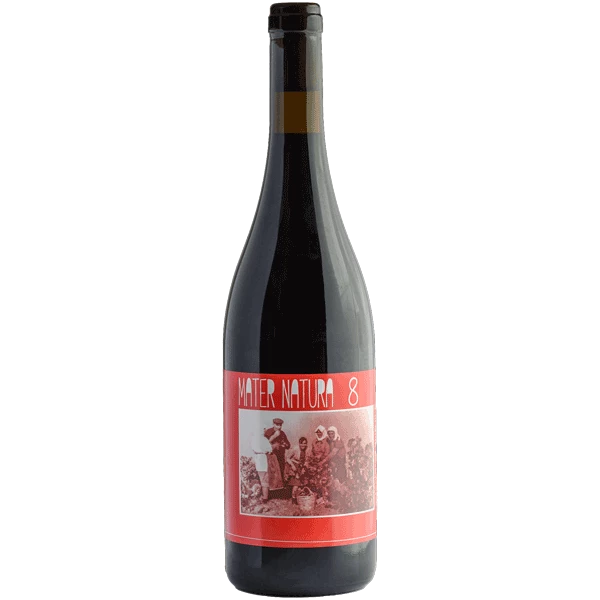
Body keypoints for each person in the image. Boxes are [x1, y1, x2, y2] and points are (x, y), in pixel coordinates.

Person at [251, 429, 275, 503]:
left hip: (263, 461)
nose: (264, 431)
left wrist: (265, 451)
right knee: (263, 479)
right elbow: (269, 449)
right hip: (261, 461)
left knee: (264, 479)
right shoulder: (257, 439)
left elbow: (270, 449)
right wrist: (265, 451)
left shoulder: (261, 439)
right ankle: (262, 496)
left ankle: (265, 498)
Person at [264, 418, 291, 483]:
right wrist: (274, 436)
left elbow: (288, 445)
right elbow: (264, 444)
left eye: (280, 425)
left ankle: (280, 488)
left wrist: (285, 444)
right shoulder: (269, 432)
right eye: (277, 425)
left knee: (281, 473)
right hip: (272, 457)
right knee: (273, 474)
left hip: (280, 457)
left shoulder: (282, 433)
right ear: (273, 424)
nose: (279, 427)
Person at [285, 437, 309, 504]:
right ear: (299, 443)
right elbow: (287, 458)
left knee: (301, 483)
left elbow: (307, 460)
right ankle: (293, 498)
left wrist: (304, 467)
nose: (303, 445)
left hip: (301, 467)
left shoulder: (307, 450)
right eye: (301, 443)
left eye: (305, 443)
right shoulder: (295, 449)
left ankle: (298, 498)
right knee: (296, 483)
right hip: (293, 465)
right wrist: (292, 466)